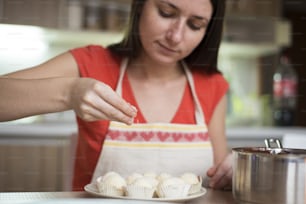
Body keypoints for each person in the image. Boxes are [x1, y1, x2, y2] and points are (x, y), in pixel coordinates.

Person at [0, 0, 232, 191]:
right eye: (166, 12)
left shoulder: (212, 85)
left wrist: (234, 172)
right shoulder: (92, 63)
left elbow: (216, 181)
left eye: (194, 25)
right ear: (140, 6)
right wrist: (69, 92)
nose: (175, 36)